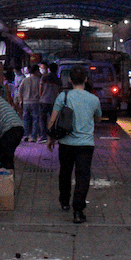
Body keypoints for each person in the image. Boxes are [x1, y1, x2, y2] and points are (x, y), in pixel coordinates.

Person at [49, 66, 102, 223]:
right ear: (86, 79)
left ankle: (65, 201)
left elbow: (52, 120)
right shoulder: (94, 99)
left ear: (70, 80)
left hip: (65, 143)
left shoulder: (63, 96)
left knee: (65, 172)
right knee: (83, 176)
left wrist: (50, 137)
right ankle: (78, 211)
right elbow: (98, 118)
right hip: (86, 144)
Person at [18, 64, 44, 142]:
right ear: (36, 71)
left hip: (25, 102)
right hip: (35, 102)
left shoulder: (25, 80)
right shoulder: (39, 80)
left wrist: (21, 100)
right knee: (35, 119)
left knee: (26, 119)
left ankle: (25, 135)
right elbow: (41, 92)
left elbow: (20, 91)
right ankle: (33, 137)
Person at [38, 64, 61, 143]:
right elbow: (59, 91)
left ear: (49, 69)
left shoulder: (44, 78)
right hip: (53, 102)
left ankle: (43, 136)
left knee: (42, 119)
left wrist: (41, 97)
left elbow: (40, 89)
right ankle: (53, 136)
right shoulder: (58, 80)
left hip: (44, 101)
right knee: (53, 119)